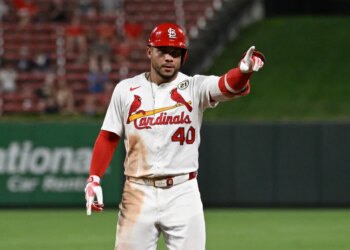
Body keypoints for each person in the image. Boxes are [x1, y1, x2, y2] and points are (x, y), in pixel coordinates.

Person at [84, 23, 265, 250]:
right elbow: (109, 136)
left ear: (183, 56)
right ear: (149, 51)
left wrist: (244, 70)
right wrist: (94, 178)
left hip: (183, 192)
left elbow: (226, 85)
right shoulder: (126, 89)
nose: (170, 58)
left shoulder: (194, 87)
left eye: (176, 53)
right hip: (138, 192)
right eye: (163, 51)